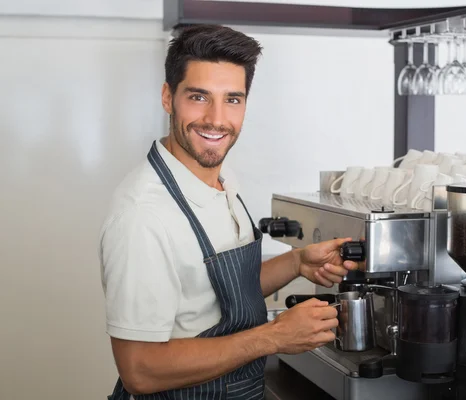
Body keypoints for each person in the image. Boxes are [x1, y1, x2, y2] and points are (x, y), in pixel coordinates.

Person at [99, 24, 358, 400]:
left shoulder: (221, 178)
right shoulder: (143, 216)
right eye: (199, 97)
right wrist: (274, 336)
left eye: (232, 99)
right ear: (168, 97)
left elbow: (213, 295)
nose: (217, 119)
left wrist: (297, 262)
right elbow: (140, 369)